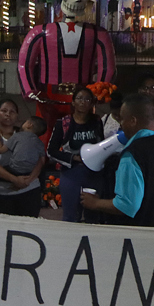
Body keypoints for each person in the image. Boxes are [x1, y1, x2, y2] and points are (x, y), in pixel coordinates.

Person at [81, 94, 154, 228]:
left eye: (122, 119)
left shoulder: (132, 154)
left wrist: (95, 203)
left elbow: (127, 206)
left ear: (133, 120)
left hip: (145, 236)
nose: (121, 124)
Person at [47, 86, 104, 222]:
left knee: (93, 215)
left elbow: (101, 145)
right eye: (79, 98)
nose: (83, 102)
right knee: (71, 215)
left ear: (91, 103)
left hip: (93, 174)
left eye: (87, 99)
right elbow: (51, 151)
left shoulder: (96, 122)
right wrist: (74, 158)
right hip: (71, 174)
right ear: (73, 102)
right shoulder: (64, 123)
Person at [0, 99, 44, 217]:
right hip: (2, 194)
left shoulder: (27, 136)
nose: (8, 114)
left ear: (17, 116)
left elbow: (40, 160)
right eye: (4, 111)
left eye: (12, 111)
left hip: (29, 190)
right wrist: (14, 180)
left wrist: (27, 181)